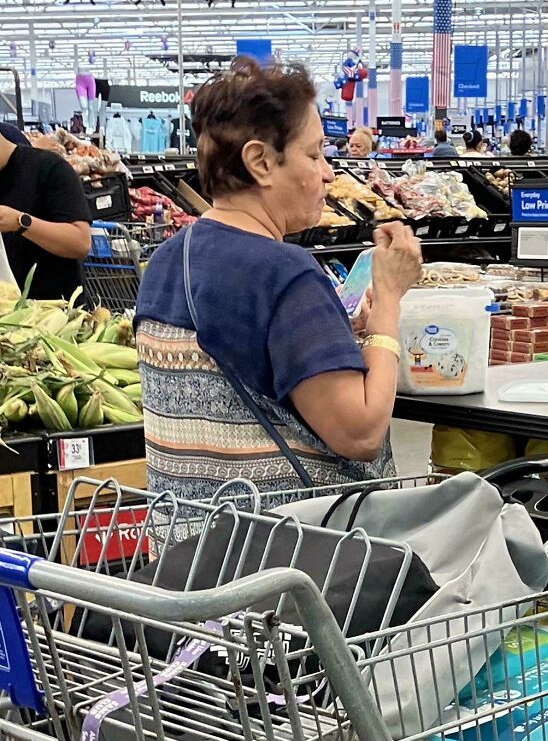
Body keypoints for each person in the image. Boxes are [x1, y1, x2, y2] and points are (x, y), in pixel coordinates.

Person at [135, 58, 423, 500]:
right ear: (261, 162)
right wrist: (388, 299)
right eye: (314, 154)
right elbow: (361, 432)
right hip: (291, 554)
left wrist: (339, 334)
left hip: (190, 552)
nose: (328, 171)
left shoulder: (167, 260)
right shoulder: (284, 272)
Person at [0, 130, 92, 299]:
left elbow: (81, 242)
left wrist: (20, 222)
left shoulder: (49, 168)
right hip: (8, 317)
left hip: (55, 316)